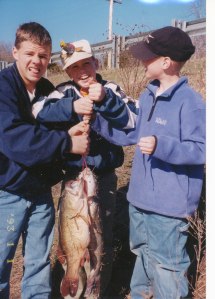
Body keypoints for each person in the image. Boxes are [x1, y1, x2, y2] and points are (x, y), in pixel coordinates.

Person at [91, 26, 206, 298]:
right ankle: (142, 293)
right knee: (141, 253)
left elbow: (202, 150)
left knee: (168, 266)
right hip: (140, 200)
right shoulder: (147, 94)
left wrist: (161, 146)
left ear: (166, 62)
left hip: (169, 206)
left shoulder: (191, 103)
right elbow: (133, 133)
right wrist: (96, 124)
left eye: (147, 56)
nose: (141, 61)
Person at [31, 39, 137, 298]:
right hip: (73, 180)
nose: (82, 71)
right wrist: (71, 107)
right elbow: (37, 111)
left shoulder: (110, 88)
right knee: (72, 238)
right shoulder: (63, 92)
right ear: (68, 72)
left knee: (100, 240)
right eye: (75, 67)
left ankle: (96, 290)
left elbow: (134, 118)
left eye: (86, 63)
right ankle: (72, 289)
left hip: (104, 178)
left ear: (96, 63)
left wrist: (106, 100)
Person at [0, 22, 90, 299]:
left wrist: (67, 132)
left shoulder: (48, 89)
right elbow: (15, 138)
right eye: (30, 54)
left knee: (38, 263)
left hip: (40, 194)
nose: (36, 62)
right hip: (9, 194)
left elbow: (48, 130)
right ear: (14, 52)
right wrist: (67, 143)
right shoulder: (4, 89)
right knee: (3, 262)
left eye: (43, 56)